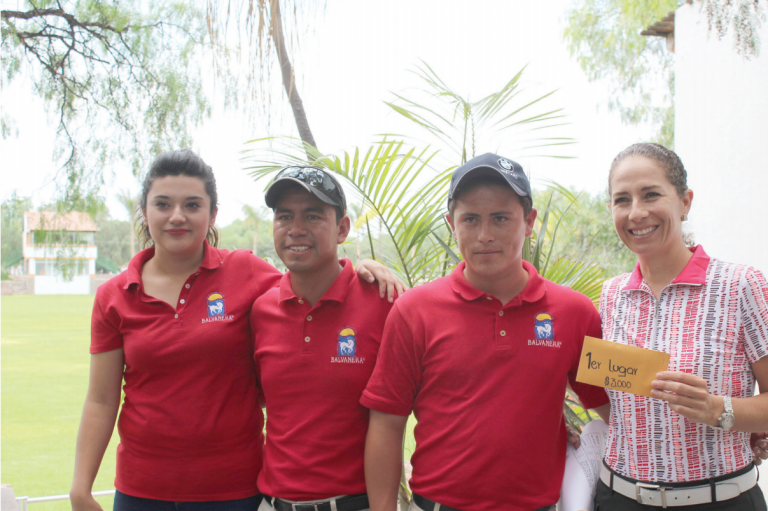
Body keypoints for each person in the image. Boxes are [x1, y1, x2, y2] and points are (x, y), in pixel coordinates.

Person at [69, 151, 403, 511]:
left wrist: (364, 267)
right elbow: (102, 399)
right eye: (163, 204)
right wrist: (80, 488)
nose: (177, 216)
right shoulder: (113, 295)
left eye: (192, 204)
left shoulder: (246, 272)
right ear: (145, 212)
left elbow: (310, 280)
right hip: (141, 489)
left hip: (234, 490)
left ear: (212, 214)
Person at [362, 153, 611, 511]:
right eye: (470, 219)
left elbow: (615, 410)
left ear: (529, 222)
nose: (485, 236)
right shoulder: (414, 310)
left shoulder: (575, 312)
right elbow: (387, 422)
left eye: (500, 219)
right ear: (452, 224)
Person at [595, 142, 768, 510]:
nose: (636, 212)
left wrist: (719, 409)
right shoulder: (611, 296)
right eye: (622, 200)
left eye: (651, 194)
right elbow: (613, 402)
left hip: (719, 501)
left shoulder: (740, 285)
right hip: (618, 498)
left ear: (685, 201)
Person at [251, 166, 397, 511]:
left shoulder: (384, 303)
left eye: (313, 216)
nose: (296, 229)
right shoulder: (260, 311)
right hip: (272, 504)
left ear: (342, 228)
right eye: (284, 216)